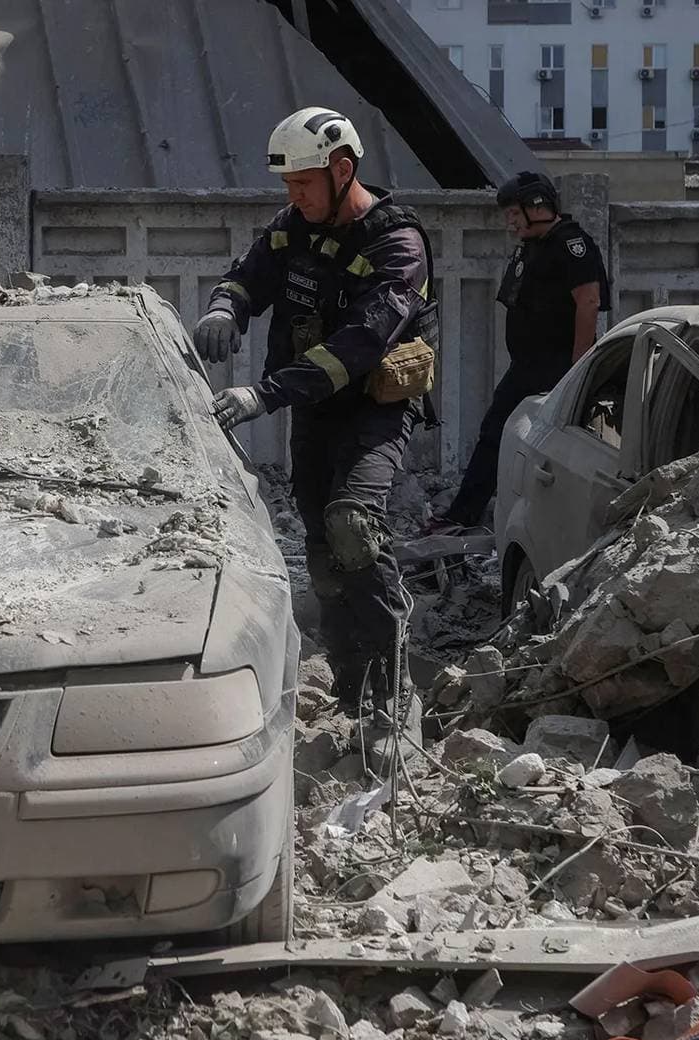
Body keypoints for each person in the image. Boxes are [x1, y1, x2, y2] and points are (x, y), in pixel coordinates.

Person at [193, 107, 440, 737]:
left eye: (303, 183)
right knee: (323, 545)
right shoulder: (293, 227)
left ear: (343, 169)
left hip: (373, 410)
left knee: (354, 526)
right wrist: (226, 308)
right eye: (288, 186)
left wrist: (266, 394)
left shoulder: (398, 245)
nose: (293, 196)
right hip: (313, 405)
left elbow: (361, 343)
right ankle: (351, 684)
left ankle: (396, 688)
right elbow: (248, 277)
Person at [436, 170, 607, 529]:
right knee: (500, 436)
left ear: (537, 208)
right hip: (529, 365)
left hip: (557, 367)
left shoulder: (570, 244)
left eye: (515, 214)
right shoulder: (535, 247)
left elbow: (588, 302)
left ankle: (468, 516)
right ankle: (466, 516)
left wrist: (577, 370)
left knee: (532, 442)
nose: (510, 223)